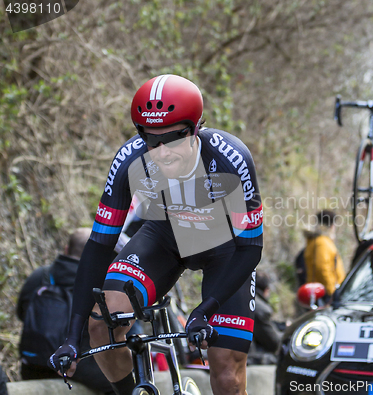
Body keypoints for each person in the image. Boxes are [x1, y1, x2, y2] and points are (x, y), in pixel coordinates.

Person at [49, 74, 263, 395]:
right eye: (151, 139)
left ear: (196, 129)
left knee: (227, 374)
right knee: (101, 325)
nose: (162, 152)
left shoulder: (231, 158)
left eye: (174, 139)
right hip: (165, 238)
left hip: (227, 248)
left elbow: (251, 248)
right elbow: (98, 245)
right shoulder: (129, 161)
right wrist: (70, 336)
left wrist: (204, 311)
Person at [17, 228, 114, 394]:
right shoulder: (102, 286)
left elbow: (21, 313)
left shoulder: (41, 275)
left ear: (66, 249)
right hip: (77, 369)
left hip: (33, 365)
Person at [303, 210, 346, 298]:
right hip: (325, 293)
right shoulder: (322, 242)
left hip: (326, 291)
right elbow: (322, 268)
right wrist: (332, 291)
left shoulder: (320, 241)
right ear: (331, 225)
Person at [247, 271, 281, 365]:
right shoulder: (261, 309)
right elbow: (274, 342)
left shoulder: (244, 299)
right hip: (250, 359)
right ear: (266, 290)